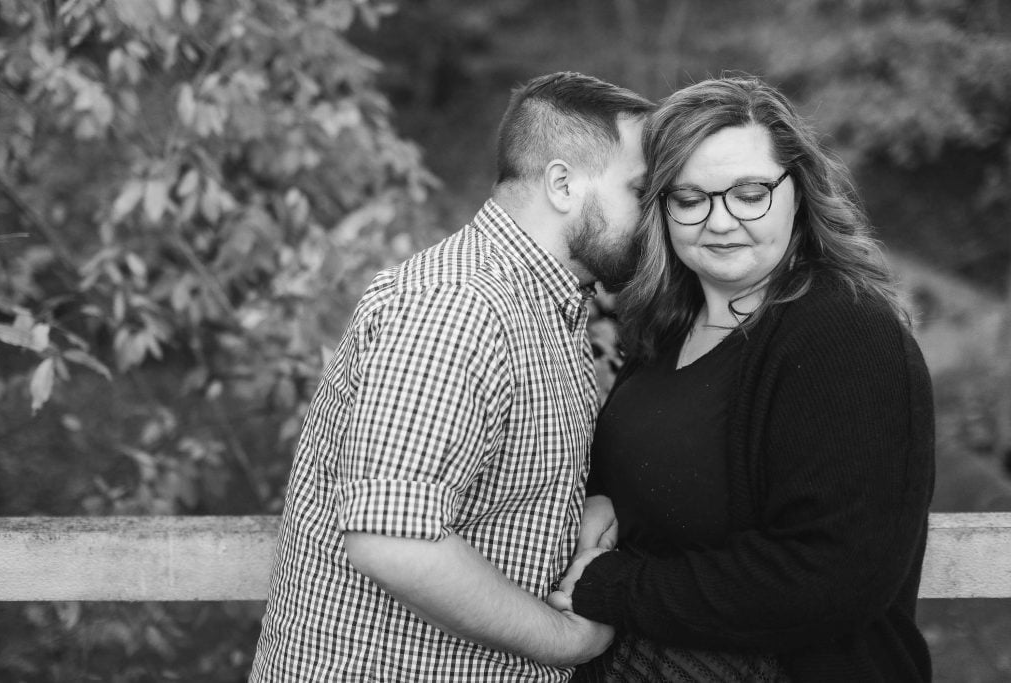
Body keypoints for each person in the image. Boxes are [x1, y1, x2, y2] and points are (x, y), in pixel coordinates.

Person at [249, 71, 656, 682]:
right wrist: (567, 641)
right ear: (564, 184)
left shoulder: (549, 308)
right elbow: (392, 540)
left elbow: (501, 496)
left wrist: (587, 507)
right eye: (640, 192)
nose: (656, 218)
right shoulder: (458, 304)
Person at [550, 75, 936, 682]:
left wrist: (617, 588)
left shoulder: (846, 332)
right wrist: (604, 499)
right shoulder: (665, 329)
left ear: (799, 192)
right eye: (690, 198)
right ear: (662, 209)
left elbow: (833, 576)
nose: (721, 221)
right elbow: (660, 476)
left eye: (750, 193)